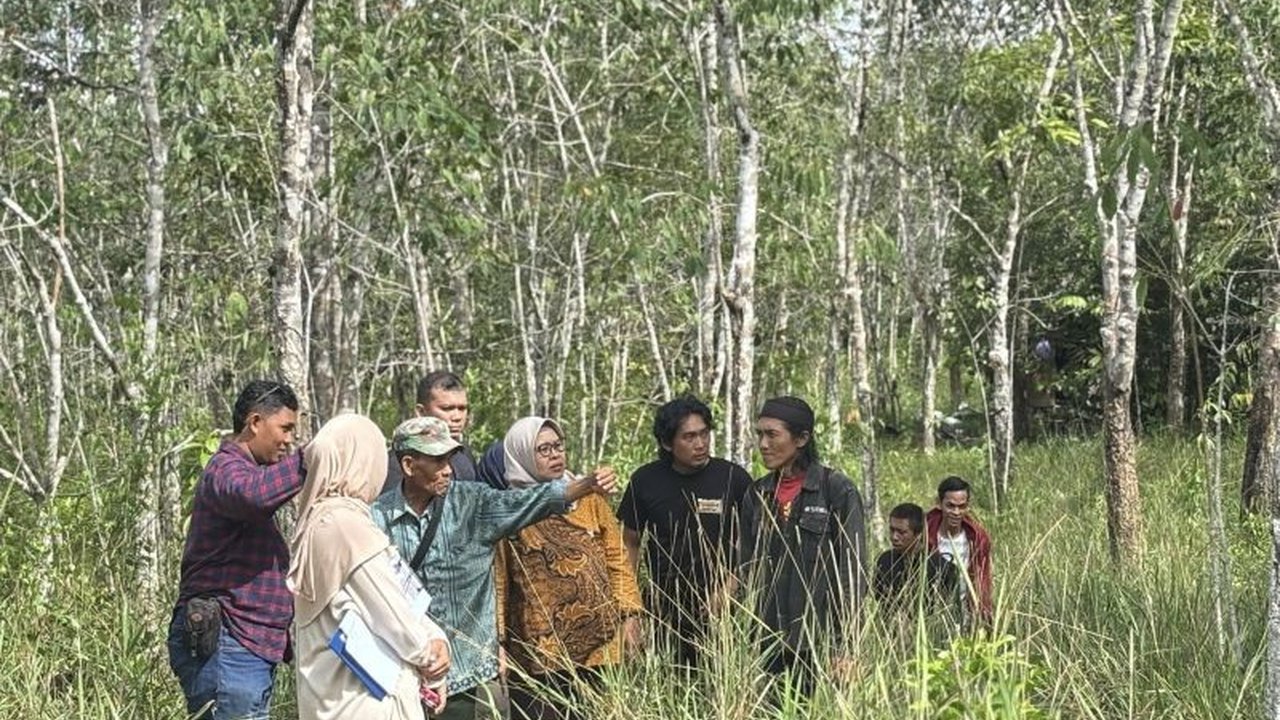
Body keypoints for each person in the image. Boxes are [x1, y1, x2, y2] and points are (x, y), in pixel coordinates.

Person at [371, 417, 617, 720]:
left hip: (471, 673)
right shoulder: (377, 518)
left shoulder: (473, 502)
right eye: (437, 461)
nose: (448, 469)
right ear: (409, 465)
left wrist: (583, 486)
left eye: (449, 459)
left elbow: (529, 500)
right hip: (407, 673)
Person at [289, 414, 451, 720]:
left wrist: (434, 635)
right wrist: (432, 658)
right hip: (366, 702)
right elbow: (395, 613)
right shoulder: (346, 525)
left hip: (331, 698)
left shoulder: (320, 519)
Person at [167, 381, 304, 719]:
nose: (289, 439)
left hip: (244, 651)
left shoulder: (244, 471)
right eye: (284, 428)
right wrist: (313, 459)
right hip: (228, 647)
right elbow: (253, 495)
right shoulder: (225, 469)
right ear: (255, 423)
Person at [494, 418, 644, 720]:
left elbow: (617, 560)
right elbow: (499, 581)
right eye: (543, 449)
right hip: (539, 653)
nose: (555, 455)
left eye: (558, 446)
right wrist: (497, 641)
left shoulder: (590, 501)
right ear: (521, 454)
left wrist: (631, 615)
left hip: (600, 649)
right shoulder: (508, 509)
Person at [739, 396, 867, 687]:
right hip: (767, 643)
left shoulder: (836, 490)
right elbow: (747, 568)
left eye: (772, 434)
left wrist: (846, 646)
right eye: (759, 433)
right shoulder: (756, 495)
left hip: (818, 643)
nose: (763, 444)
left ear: (801, 438)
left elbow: (852, 571)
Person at [616, 395, 751, 666]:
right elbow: (628, 544)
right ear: (667, 443)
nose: (700, 444)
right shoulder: (645, 481)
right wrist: (629, 612)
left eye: (704, 434)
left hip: (724, 611)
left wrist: (730, 587)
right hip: (663, 612)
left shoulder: (733, 478)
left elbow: (756, 540)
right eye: (689, 437)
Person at [382, 371, 482, 495]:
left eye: (462, 408)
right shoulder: (398, 462)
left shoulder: (463, 453)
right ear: (421, 412)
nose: (457, 416)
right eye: (446, 408)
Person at [926, 476, 994, 625]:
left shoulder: (977, 538)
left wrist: (983, 613)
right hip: (931, 615)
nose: (956, 512)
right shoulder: (925, 534)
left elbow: (983, 579)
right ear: (939, 504)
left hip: (965, 614)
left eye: (962, 506)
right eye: (950, 506)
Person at [873, 503, 955, 613]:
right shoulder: (885, 561)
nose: (894, 537)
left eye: (902, 532)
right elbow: (879, 602)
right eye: (892, 530)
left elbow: (949, 612)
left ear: (918, 534)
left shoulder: (942, 568)